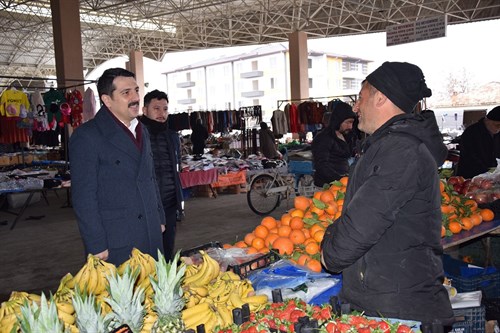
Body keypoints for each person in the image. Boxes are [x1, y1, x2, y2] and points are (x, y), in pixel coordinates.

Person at [320, 62, 454, 325]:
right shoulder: (392, 145)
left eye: (360, 98)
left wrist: (329, 252)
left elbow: (363, 223)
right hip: (390, 299)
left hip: (398, 311)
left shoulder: (400, 151)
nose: (356, 107)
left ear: (380, 97)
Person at [69, 68, 165, 266]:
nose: (136, 97)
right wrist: (96, 244)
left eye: (136, 90)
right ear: (107, 100)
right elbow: (83, 195)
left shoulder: (141, 129)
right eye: (126, 93)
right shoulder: (87, 136)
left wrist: (159, 216)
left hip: (150, 229)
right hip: (117, 239)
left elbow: (150, 177)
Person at [139, 90, 184, 261]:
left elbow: (176, 167)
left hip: (170, 203)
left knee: (167, 249)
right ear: (144, 110)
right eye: (156, 108)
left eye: (165, 109)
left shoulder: (172, 136)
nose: (161, 113)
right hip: (147, 204)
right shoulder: (137, 136)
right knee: (147, 253)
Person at [311, 101, 356, 187]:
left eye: (352, 123)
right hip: (326, 186)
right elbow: (321, 165)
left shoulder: (347, 136)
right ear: (338, 120)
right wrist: (339, 179)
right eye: (347, 122)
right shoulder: (323, 138)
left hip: (342, 183)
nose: (350, 126)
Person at [456, 106, 500, 179]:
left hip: (493, 177)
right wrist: (488, 171)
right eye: (497, 125)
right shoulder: (471, 132)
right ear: (487, 121)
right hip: (471, 177)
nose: (499, 129)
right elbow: (469, 157)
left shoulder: (498, 134)